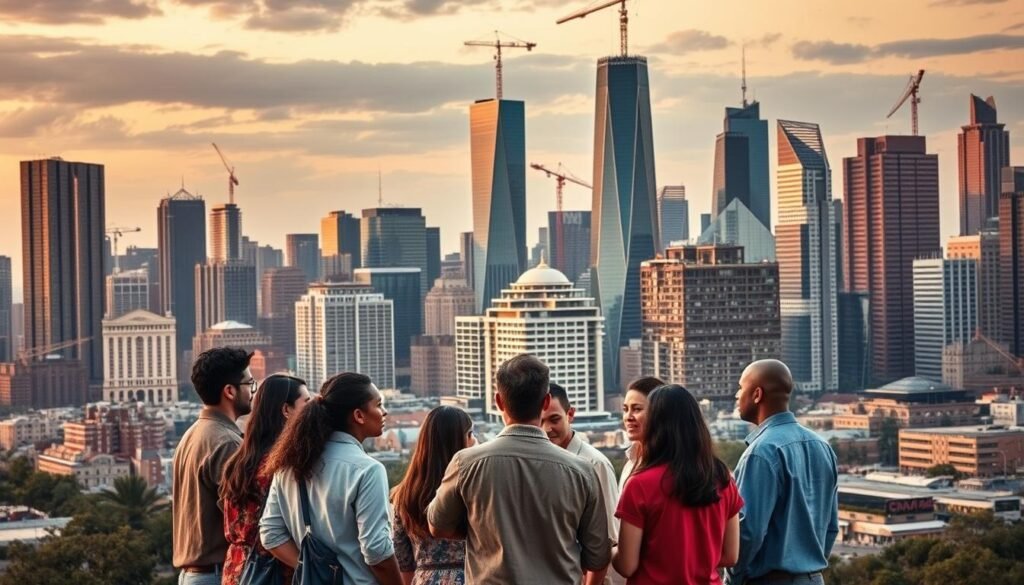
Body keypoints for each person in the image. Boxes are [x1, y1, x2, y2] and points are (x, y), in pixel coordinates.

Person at [427, 354, 611, 584]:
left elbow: (437, 526)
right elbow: (598, 556)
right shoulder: (582, 471)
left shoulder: (466, 463)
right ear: (545, 402)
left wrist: (480, 530)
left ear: (499, 401)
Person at [259, 372, 403, 585]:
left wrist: (312, 567)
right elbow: (376, 549)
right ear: (358, 415)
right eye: (379, 404)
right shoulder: (368, 470)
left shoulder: (288, 466)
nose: (384, 412)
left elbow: (271, 534)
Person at [613, 384, 742, 584]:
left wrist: (609, 550)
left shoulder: (639, 484)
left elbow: (627, 565)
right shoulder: (722, 477)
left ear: (655, 424)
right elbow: (730, 556)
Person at [727, 360, 839, 585]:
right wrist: (807, 568)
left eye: (741, 388)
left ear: (757, 394)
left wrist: (733, 580)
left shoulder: (761, 453)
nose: (737, 396)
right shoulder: (823, 446)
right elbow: (831, 527)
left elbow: (748, 532)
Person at [220, 374, 312, 585]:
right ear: (286, 410)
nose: (312, 410)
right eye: (306, 403)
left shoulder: (240, 461)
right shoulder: (279, 465)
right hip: (273, 571)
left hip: (237, 569)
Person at [173, 347, 254, 584]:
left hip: (193, 574)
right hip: (216, 574)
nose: (251, 391)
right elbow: (244, 519)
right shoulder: (226, 443)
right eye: (249, 384)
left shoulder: (192, 434)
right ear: (230, 391)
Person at [541, 383, 620, 585]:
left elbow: (609, 539)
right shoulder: (539, 462)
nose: (547, 429)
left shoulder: (595, 464)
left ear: (571, 414)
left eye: (554, 419)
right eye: (540, 421)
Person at [391, 406, 475, 585]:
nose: (474, 440)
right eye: (470, 434)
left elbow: (403, 561)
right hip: (471, 578)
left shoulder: (404, 495)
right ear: (458, 441)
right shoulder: (472, 490)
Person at [619, 376, 665, 489]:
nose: (628, 417)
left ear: (658, 412)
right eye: (625, 409)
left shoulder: (667, 470)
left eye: (637, 409)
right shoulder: (631, 462)